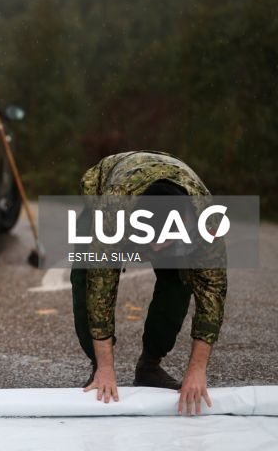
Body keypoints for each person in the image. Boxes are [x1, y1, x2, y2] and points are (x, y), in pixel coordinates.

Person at [70, 151, 227, 416]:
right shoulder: (113, 208)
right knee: (87, 274)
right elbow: (100, 288)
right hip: (109, 189)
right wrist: (106, 366)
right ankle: (97, 367)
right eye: (147, 239)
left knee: (180, 280)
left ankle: (150, 366)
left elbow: (212, 291)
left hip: (174, 200)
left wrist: (197, 370)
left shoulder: (208, 222)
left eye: (161, 241)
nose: (153, 248)